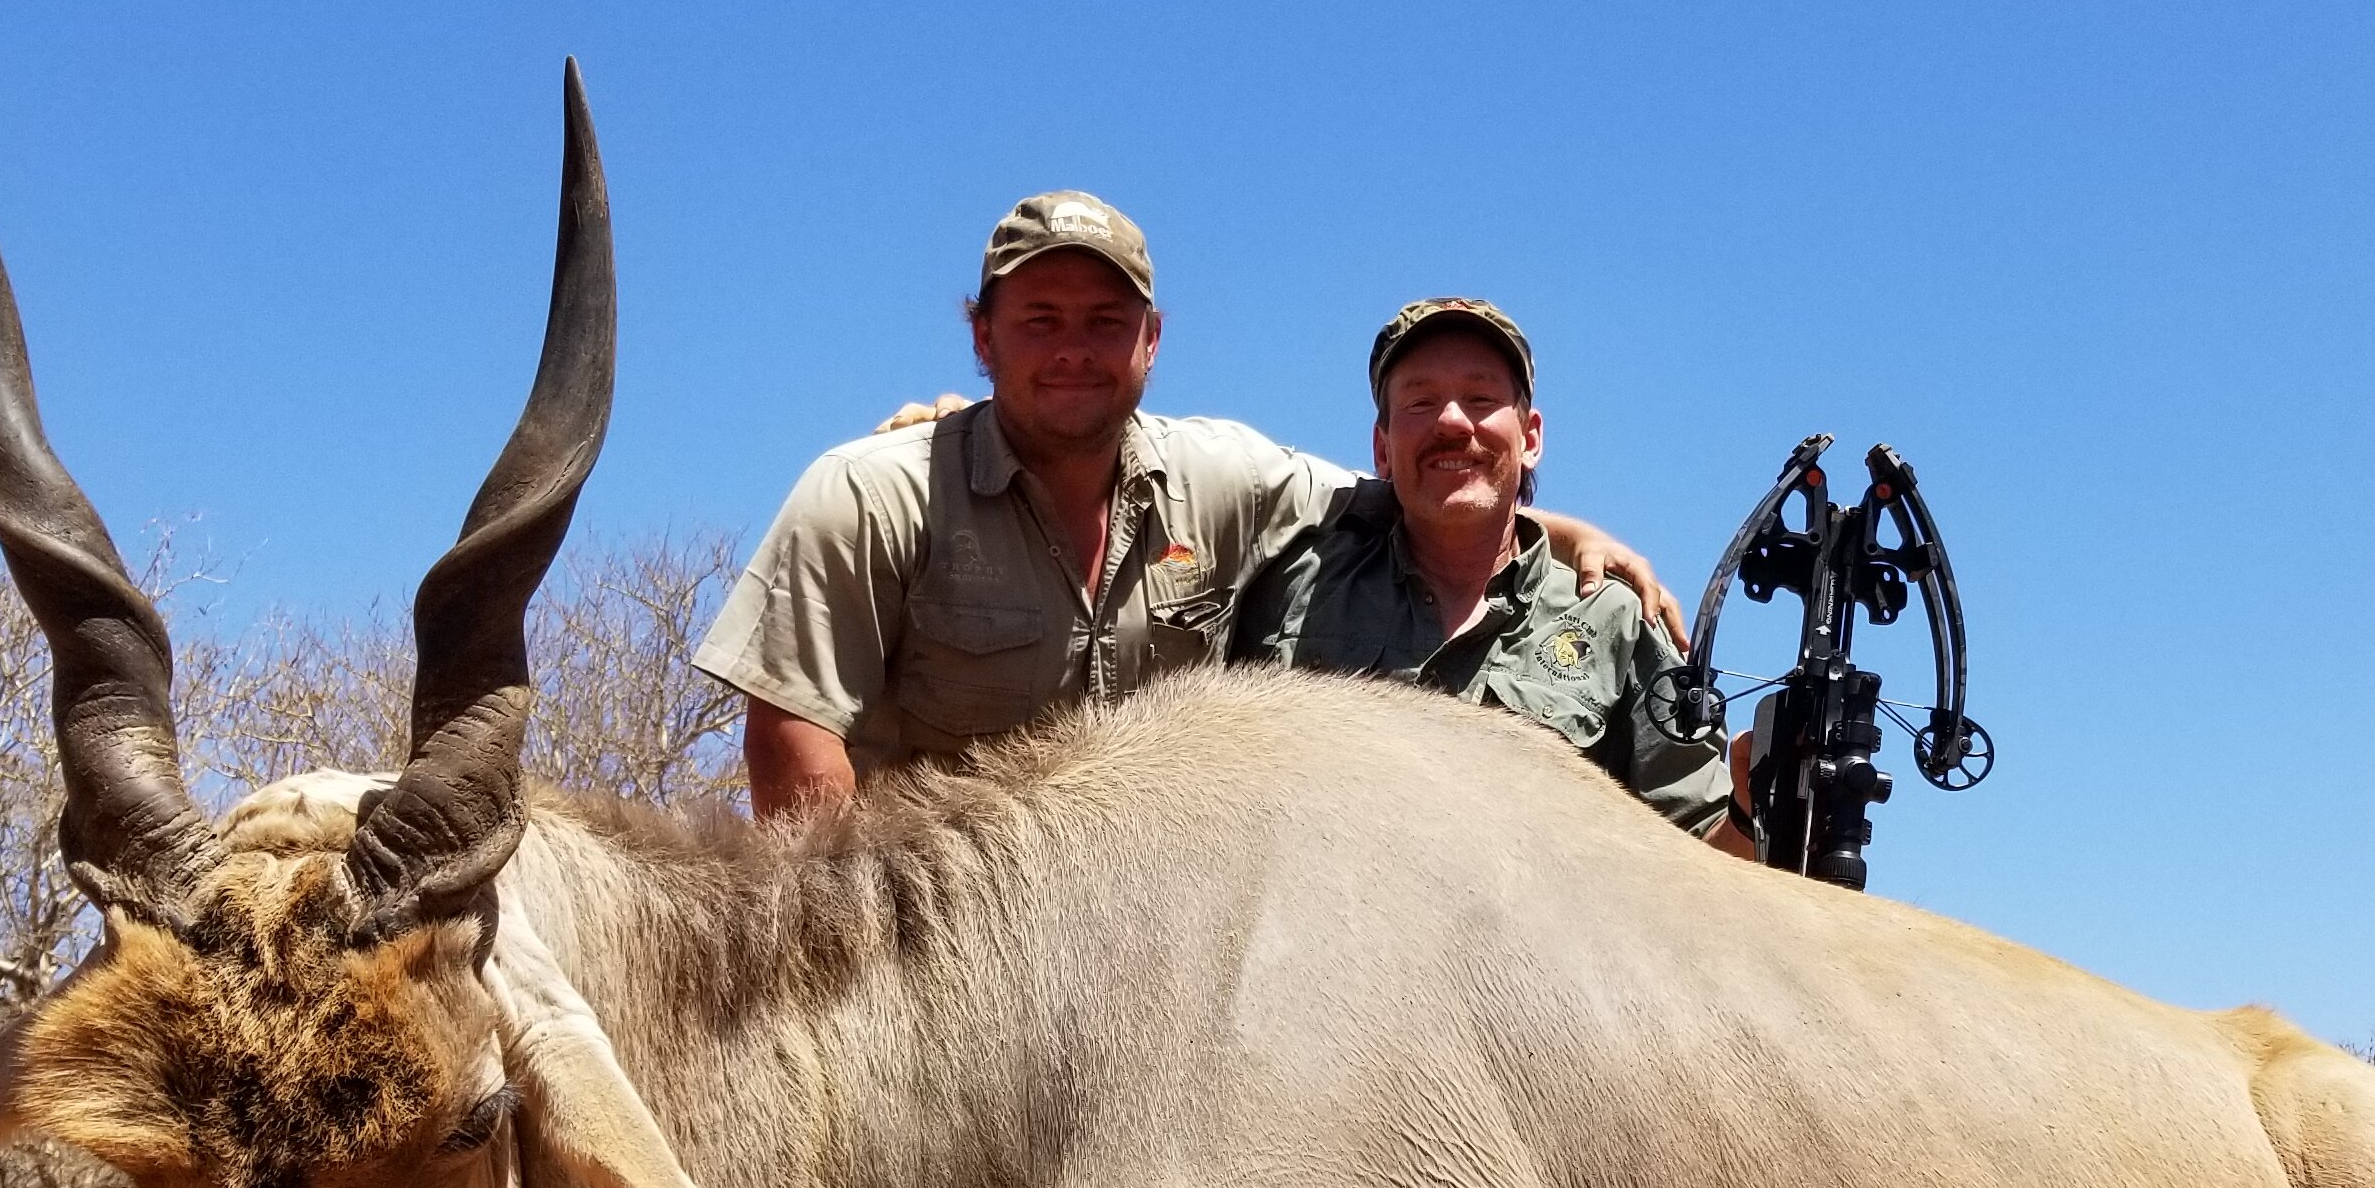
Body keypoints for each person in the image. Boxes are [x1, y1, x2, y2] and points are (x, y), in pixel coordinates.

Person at [693, 194, 1673, 818]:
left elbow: (1428, 495)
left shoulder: (1230, 477)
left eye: (1105, 322)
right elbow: (792, 739)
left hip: (1153, 959)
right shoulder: (866, 493)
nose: (1073, 347)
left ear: (1152, 340)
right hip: (922, 946)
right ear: (982, 337)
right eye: (1039, 321)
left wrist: (1558, 530)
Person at [1230, 299, 1738, 843]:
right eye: (1420, 402)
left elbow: (1704, 860)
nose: (1451, 421)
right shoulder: (1292, 591)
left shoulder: (1618, 618)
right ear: (1381, 449)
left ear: (1532, 439)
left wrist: (1755, 807)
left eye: (1481, 398)